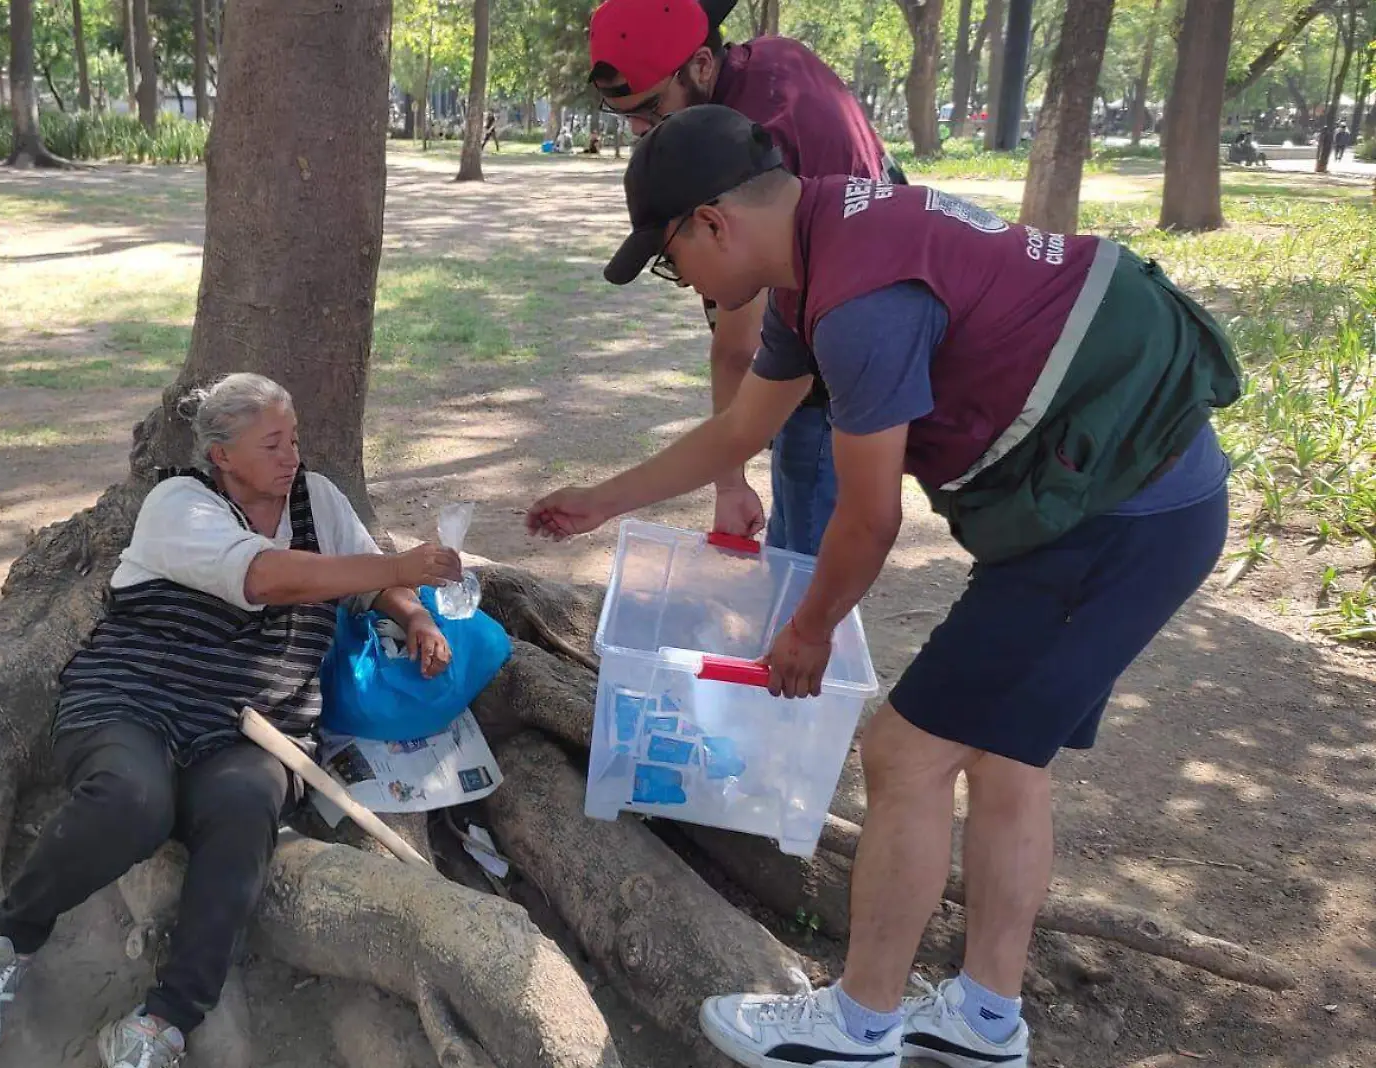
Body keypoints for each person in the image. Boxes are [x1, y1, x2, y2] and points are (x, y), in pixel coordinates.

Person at [528, 106, 1240, 1068]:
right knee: (1006, 761)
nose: (682, 283)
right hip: (1130, 494)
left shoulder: (859, 302)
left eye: (668, 260)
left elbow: (870, 519)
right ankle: (987, 1021)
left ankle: (856, 1028)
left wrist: (808, 630)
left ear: (710, 223)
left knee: (903, 753)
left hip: (1114, 520)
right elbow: (742, 430)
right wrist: (599, 503)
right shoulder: (820, 247)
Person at [0, 374, 460, 1067]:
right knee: (132, 801)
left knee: (245, 811)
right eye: (271, 444)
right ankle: (9, 940)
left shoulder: (319, 500)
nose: (291, 456)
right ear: (222, 456)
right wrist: (399, 562)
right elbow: (268, 578)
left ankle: (168, 1017)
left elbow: (368, 578)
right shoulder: (177, 504)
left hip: (255, 725)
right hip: (136, 699)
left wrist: (416, 613)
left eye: (294, 439)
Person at [587, 0, 902, 556]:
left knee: (801, 548)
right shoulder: (767, 62)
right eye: (625, 115)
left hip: (849, 327)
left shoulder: (756, 146)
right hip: (862, 279)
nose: (639, 128)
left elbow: (740, 345)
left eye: (651, 106)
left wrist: (729, 487)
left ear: (702, 65)